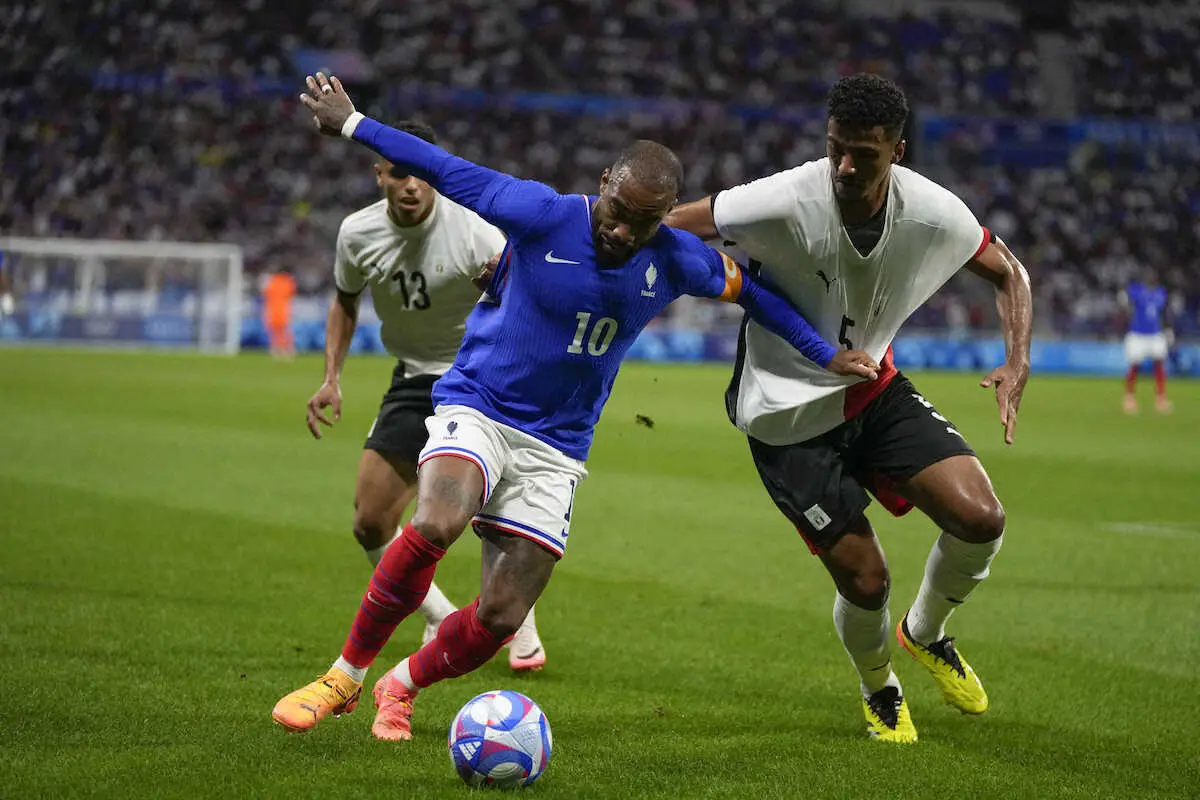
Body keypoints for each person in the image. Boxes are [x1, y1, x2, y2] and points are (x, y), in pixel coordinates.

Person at [272, 72, 881, 742]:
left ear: (666, 215)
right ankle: (344, 676)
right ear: (603, 181)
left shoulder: (678, 258)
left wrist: (825, 354)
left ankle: (402, 685)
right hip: (480, 406)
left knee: (502, 616)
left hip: (558, 447)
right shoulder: (542, 212)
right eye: (617, 209)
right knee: (437, 522)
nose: (622, 230)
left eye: (643, 222)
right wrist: (352, 123)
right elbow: (444, 168)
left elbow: (753, 294)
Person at [666, 73, 1033, 744]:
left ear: (897, 150)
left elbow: (1009, 271)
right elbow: (668, 225)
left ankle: (926, 632)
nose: (843, 167)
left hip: (870, 388)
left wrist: (1017, 361)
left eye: (863, 154)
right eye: (835, 148)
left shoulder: (932, 211)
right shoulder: (782, 198)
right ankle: (879, 686)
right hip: (784, 418)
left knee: (981, 518)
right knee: (866, 580)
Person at [308, 119, 549, 671]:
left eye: (422, 173)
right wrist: (331, 377)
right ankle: (440, 615)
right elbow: (344, 300)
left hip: (481, 376)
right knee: (370, 520)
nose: (412, 184)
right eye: (400, 173)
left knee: (489, 509)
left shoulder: (475, 230)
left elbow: (528, 298)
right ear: (380, 175)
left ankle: (521, 619)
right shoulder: (357, 233)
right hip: (416, 378)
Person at [1120, 268, 1172, 414]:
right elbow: (1125, 298)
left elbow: (1165, 312)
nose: (1151, 277)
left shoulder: (1161, 292)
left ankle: (1161, 399)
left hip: (1155, 333)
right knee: (1134, 366)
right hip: (1138, 334)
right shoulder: (1136, 290)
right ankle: (1129, 398)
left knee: (1159, 365)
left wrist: (1168, 328)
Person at [261, 267, 297, 359]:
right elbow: (291, 293)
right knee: (283, 330)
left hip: (273, 309)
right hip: (283, 309)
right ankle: (286, 349)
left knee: (276, 331)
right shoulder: (288, 281)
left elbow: (265, 293)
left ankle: (278, 349)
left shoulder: (271, 281)